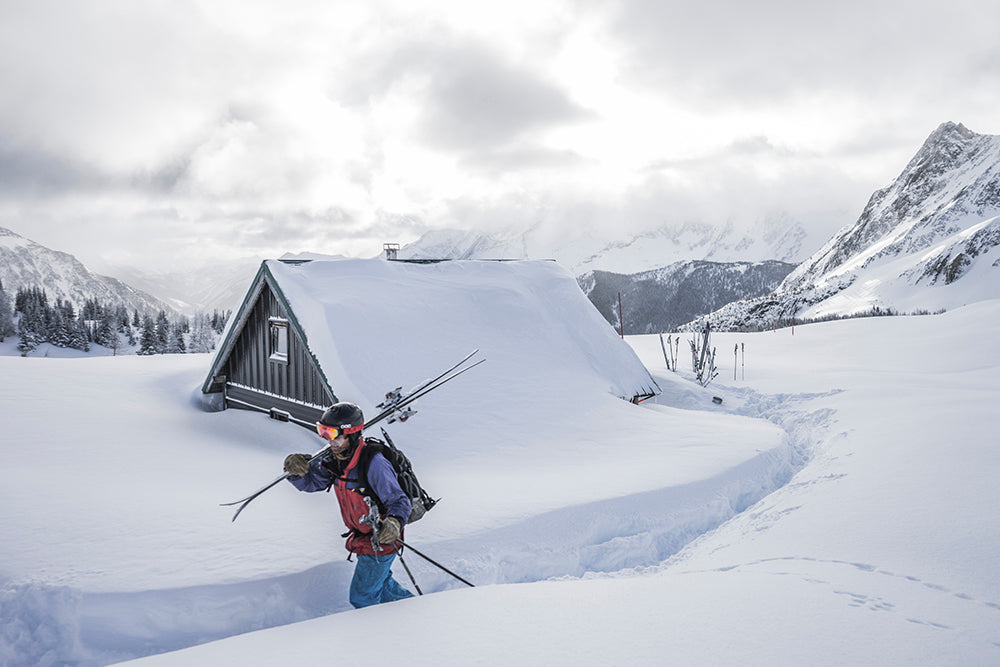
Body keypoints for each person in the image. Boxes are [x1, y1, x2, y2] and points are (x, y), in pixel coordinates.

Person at [283, 401, 414, 608]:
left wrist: (394, 522)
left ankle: (377, 634)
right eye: (323, 432)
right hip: (362, 537)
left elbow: (399, 500)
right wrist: (297, 472)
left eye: (333, 434)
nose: (328, 441)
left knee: (362, 597)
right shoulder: (336, 460)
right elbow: (312, 483)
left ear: (351, 434)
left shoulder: (374, 463)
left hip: (382, 538)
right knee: (381, 584)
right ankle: (414, 610)